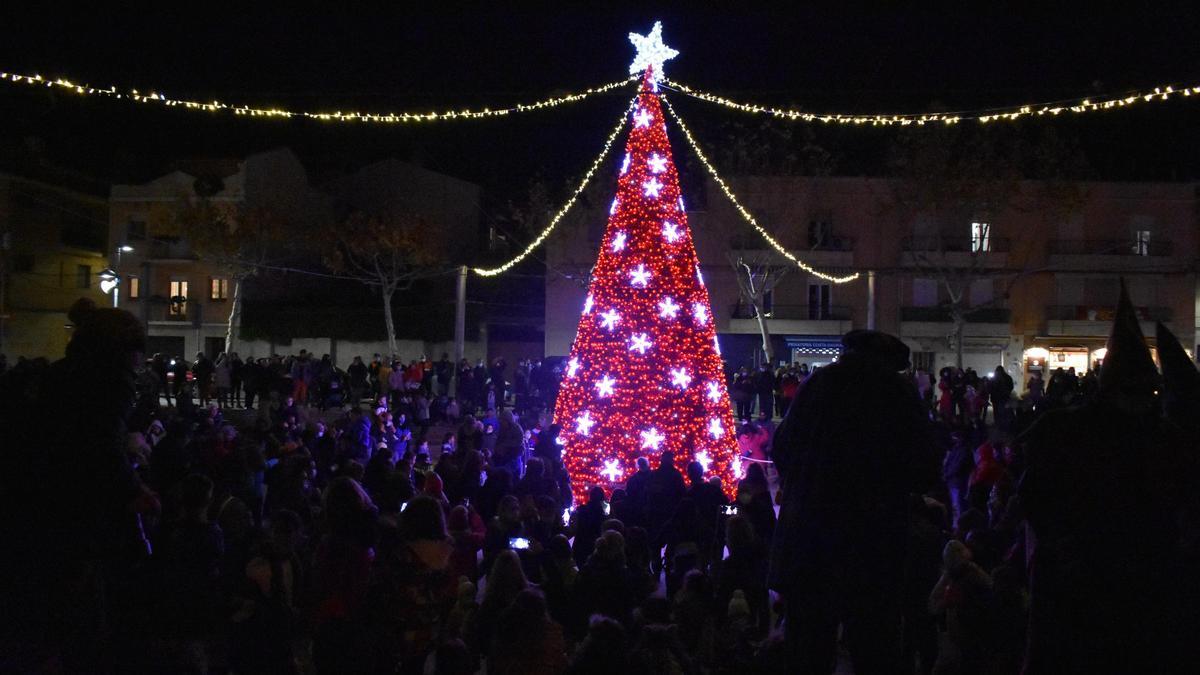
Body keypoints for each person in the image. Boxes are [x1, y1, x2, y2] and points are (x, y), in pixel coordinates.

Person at [1018, 283, 1188, 674]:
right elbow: (1036, 497)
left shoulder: (1166, 441)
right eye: (1133, 392)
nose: (1141, 402)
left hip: (1141, 584)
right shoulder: (1065, 432)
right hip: (1079, 581)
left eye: (1148, 393)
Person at [769, 329, 938, 673]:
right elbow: (925, 467)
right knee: (874, 648)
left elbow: (782, 449)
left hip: (810, 540)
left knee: (808, 649)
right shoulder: (896, 393)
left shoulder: (817, 386)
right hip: (873, 543)